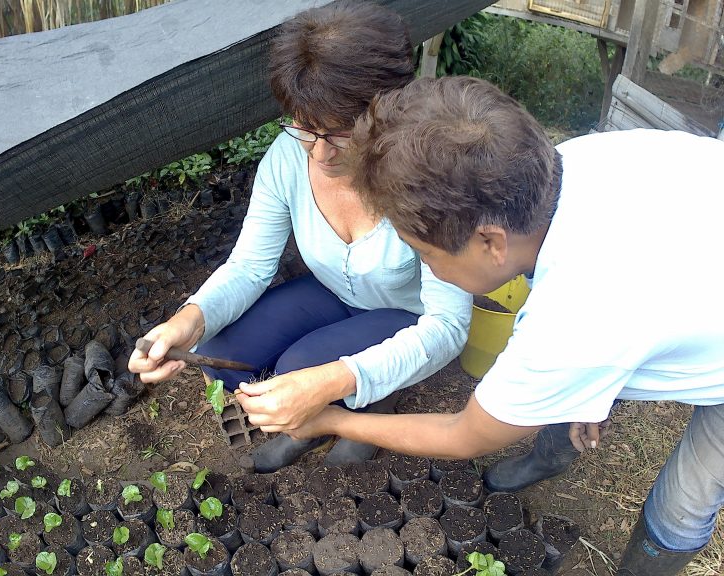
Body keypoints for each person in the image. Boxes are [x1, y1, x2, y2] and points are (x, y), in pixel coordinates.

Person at [279, 76, 724, 576]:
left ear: (491, 242)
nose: (426, 268)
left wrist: (332, 421)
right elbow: (639, 295)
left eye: (425, 253)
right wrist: (589, 385)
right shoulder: (564, 167)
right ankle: (551, 452)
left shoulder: (574, 323)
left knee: (686, 499)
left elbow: (464, 434)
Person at [128, 3, 473, 473]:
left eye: (342, 132)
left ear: (388, 114)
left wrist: (333, 379)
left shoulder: (429, 176)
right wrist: (185, 321)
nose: (321, 153)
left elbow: (448, 325)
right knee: (220, 353)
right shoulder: (287, 159)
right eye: (306, 128)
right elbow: (249, 266)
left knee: (300, 370)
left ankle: (366, 405)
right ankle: (327, 409)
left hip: (407, 314)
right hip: (332, 293)